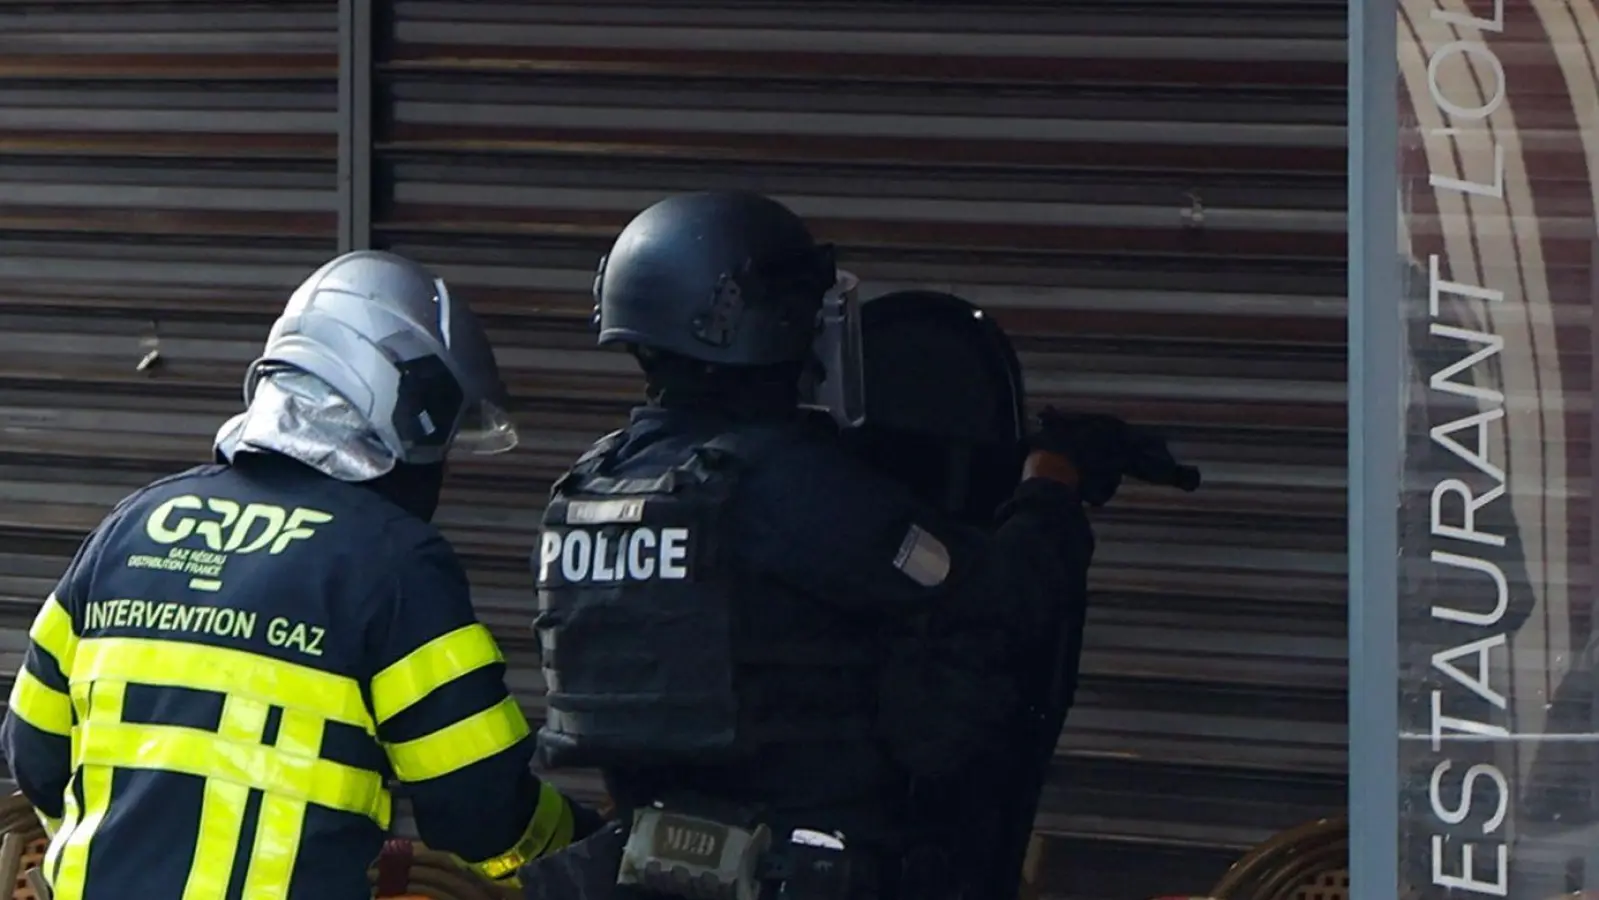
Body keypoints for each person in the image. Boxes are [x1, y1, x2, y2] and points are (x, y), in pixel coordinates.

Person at [523, 190, 1125, 900]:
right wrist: (1049, 489)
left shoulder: (590, 487)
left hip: (650, 871)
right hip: (803, 870)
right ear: (760, 320)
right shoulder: (785, 485)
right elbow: (997, 598)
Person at [1, 250, 598, 900]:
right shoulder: (394, 563)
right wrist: (588, 849)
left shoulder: (134, 524)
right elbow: (479, 809)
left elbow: (33, 751)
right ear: (399, 401)